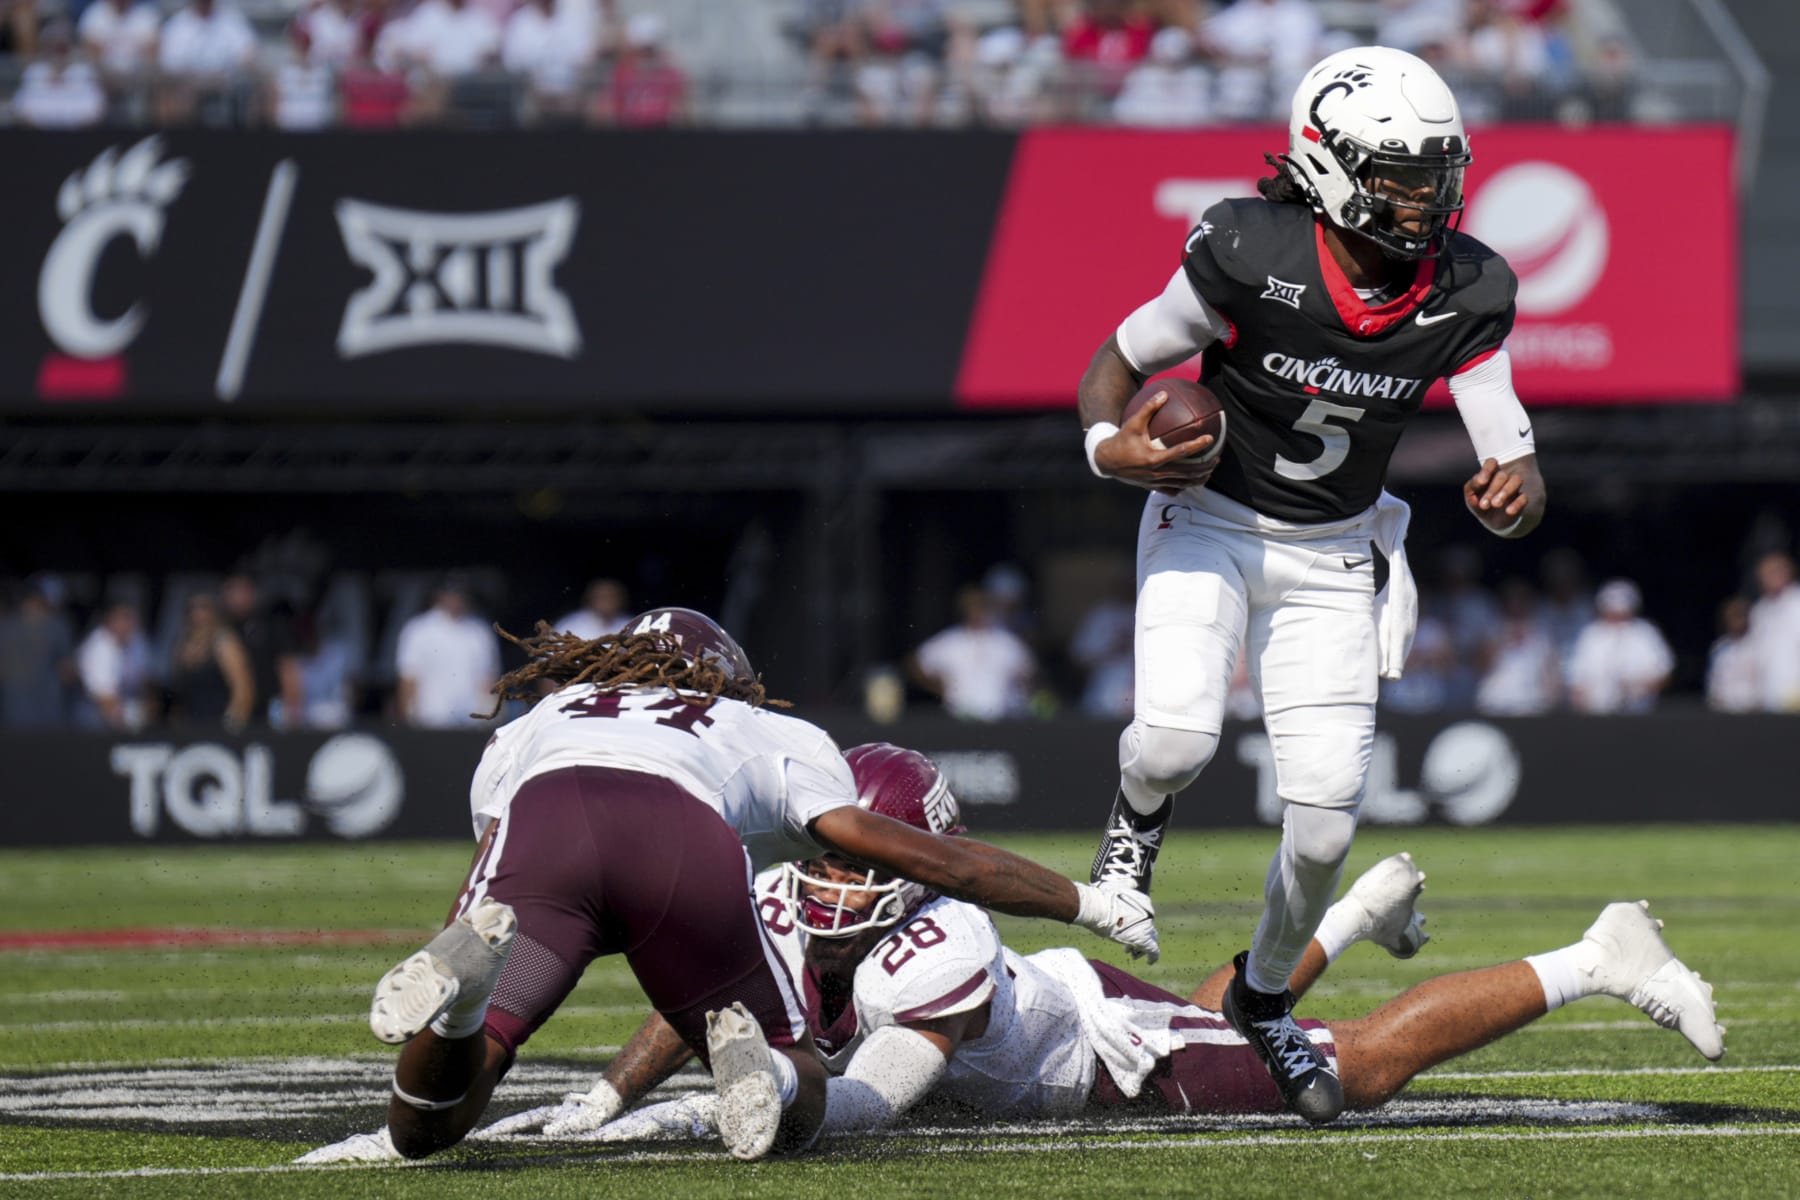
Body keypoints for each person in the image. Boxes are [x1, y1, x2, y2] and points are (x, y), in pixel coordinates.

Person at [438, 748, 1719, 1150]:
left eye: (865, 864)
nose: (831, 879)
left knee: (1354, 1072)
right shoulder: (776, 888)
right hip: (1070, 1001)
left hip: (1098, 1056)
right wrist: (608, 1096)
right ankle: (1347, 919)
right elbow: (701, 992)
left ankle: (1596, 955)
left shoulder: (938, 942)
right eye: (829, 854)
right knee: (1216, 1011)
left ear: (919, 869)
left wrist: (751, 1093)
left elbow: (871, 1104)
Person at [1075, 44, 1547, 1121]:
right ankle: (1131, 834)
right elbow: (1120, 360)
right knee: (1175, 744)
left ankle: (1265, 994)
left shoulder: (1469, 288)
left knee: (1327, 830)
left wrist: (1515, 490)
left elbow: (1513, 455)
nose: (1425, 199)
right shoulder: (1249, 249)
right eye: (1400, 176)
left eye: (1437, 174)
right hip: (1207, 518)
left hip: (1335, 553)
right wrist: (1112, 449)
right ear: (1330, 164)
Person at [341, 611, 1157, 1165]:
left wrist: (500, 950)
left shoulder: (542, 719)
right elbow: (941, 863)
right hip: (680, 840)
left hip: (545, 825)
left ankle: (461, 1008)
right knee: (796, 1093)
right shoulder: (758, 726)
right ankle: (770, 1075)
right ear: (722, 680)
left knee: (428, 1127)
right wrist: (1091, 903)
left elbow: (502, 862)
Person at [907, 585, 1038, 721]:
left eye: (981, 606)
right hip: (961, 718)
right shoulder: (950, 641)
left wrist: (1019, 692)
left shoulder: (1005, 641)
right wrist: (940, 688)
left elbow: (1030, 671)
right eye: (973, 607)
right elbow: (914, 663)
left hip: (1001, 718)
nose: (977, 612)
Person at [393, 575, 500, 728]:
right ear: (439, 595)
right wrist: (408, 719)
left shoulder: (479, 631)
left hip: (469, 722)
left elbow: (488, 679)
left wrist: (490, 717)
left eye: (460, 594)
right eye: (450, 594)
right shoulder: (418, 629)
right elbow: (408, 677)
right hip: (429, 719)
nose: (455, 599)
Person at [1565, 579, 1672, 714]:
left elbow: (1664, 674)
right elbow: (1575, 679)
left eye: (1622, 613)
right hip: (1596, 714)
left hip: (1639, 714)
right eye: (1612, 612)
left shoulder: (1646, 632)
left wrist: (1638, 687)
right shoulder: (1590, 635)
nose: (1617, 619)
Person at [165, 591, 256, 729]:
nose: (197, 613)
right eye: (192, 608)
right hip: (190, 723)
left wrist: (231, 724)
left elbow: (243, 689)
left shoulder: (224, 642)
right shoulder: (182, 645)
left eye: (203, 607)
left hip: (218, 723)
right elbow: (179, 693)